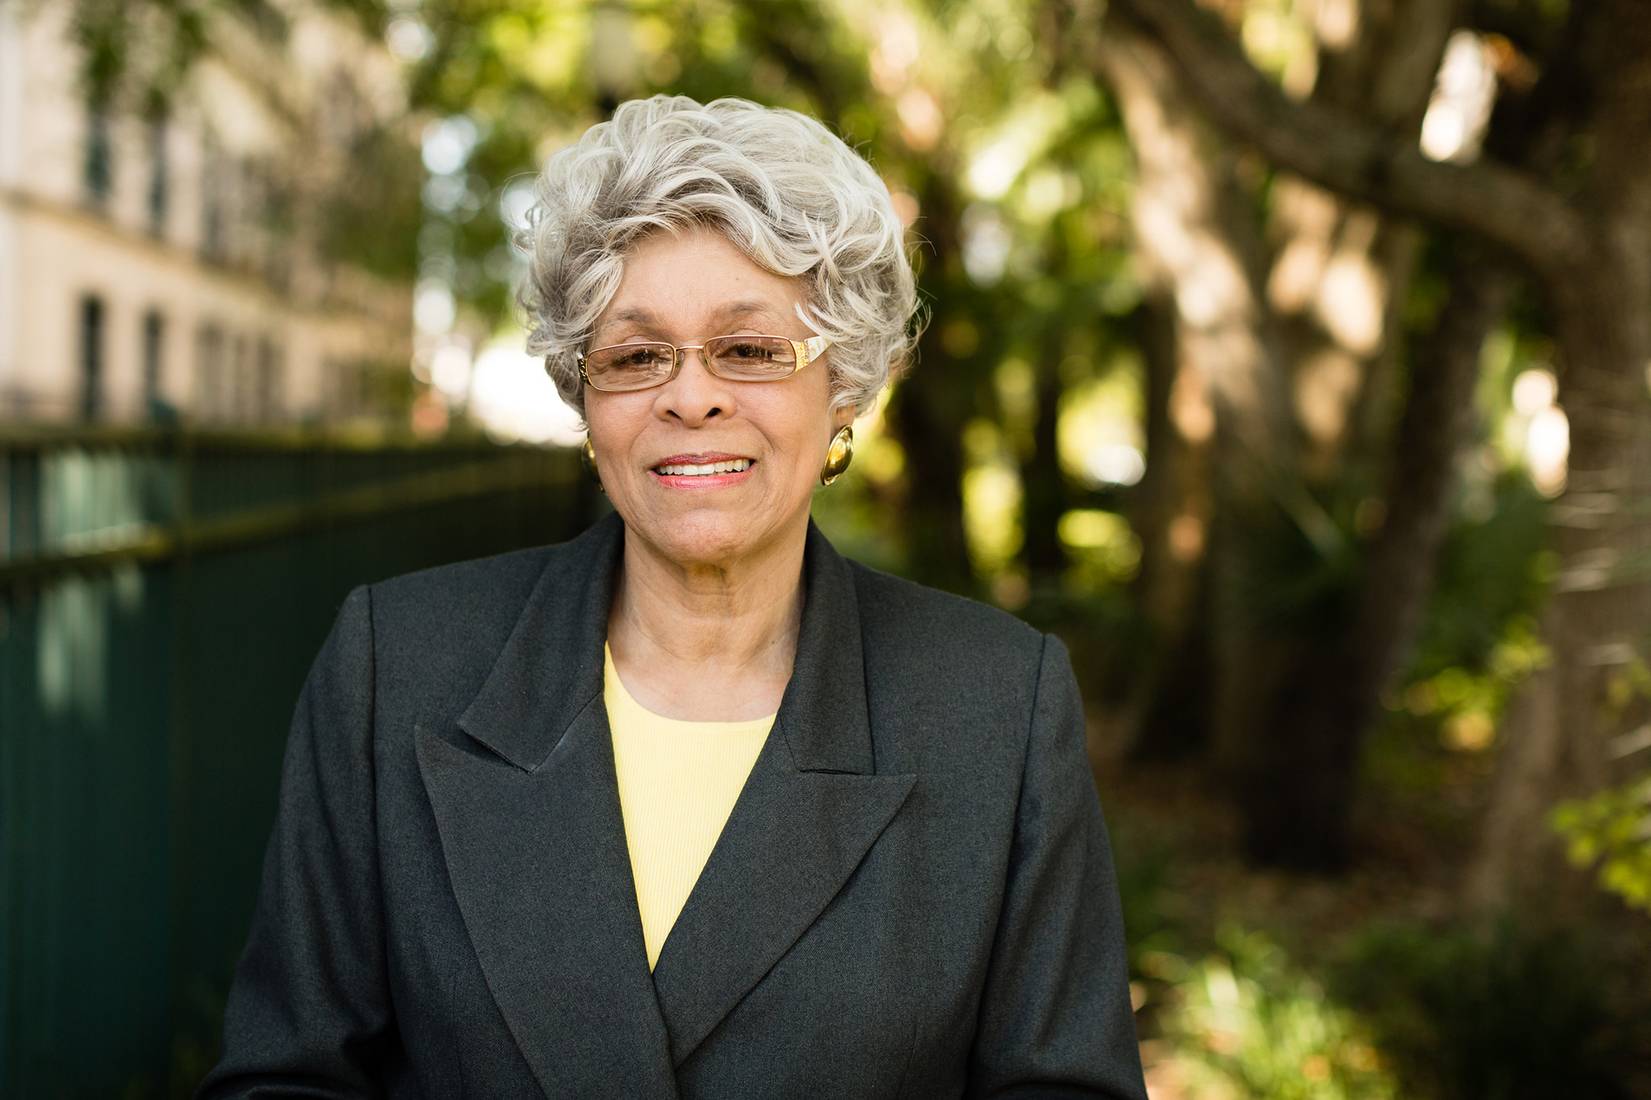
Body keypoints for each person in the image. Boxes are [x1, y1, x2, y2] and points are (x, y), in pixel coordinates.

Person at [198, 94, 1148, 1099]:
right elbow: (286, 1076)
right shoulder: (398, 663)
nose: (689, 396)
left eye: (748, 349)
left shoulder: (994, 702)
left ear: (846, 389)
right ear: (585, 396)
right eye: (636, 354)